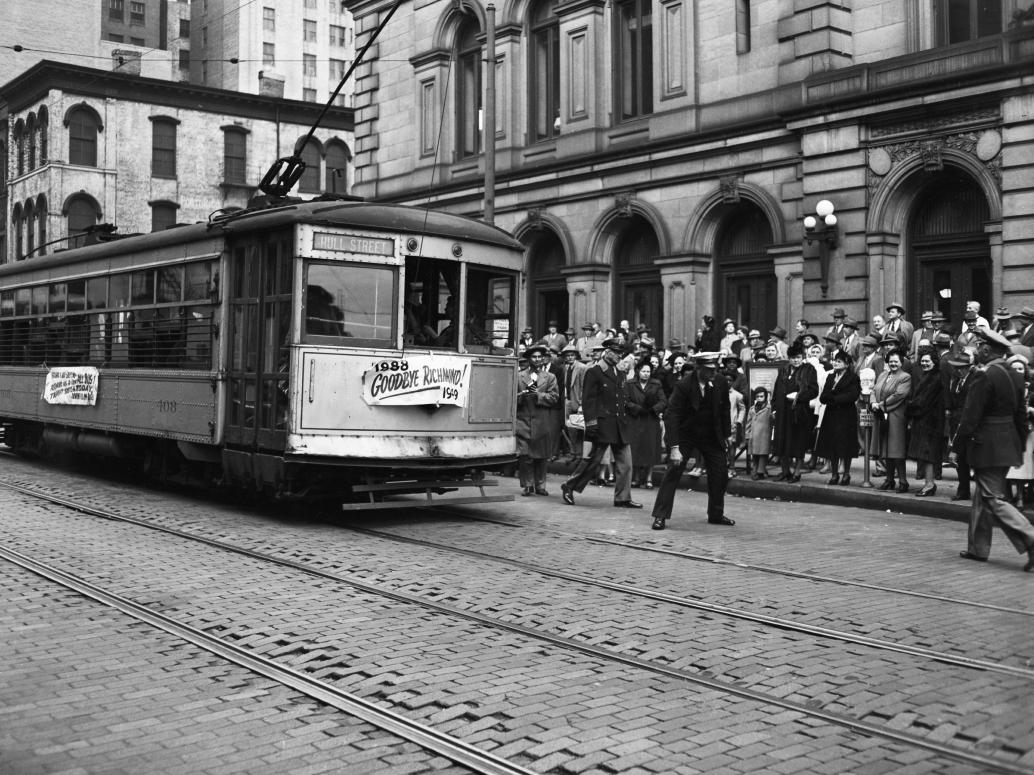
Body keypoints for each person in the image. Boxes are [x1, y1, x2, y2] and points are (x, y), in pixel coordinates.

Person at [952, 328, 1034, 571]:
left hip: (987, 445)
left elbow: (970, 417)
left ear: (987, 350)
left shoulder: (984, 375)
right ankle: (978, 548)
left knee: (991, 497)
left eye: (979, 347)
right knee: (984, 495)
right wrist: (1018, 448)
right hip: (1007, 443)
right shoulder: (1015, 375)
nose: (977, 351)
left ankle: (1031, 537)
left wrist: (956, 447)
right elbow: (1020, 416)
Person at [650, 351, 735, 530]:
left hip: (711, 434)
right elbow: (672, 416)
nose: (714, 373)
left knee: (720, 473)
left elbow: (725, 409)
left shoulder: (719, 382)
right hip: (686, 435)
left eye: (715, 368)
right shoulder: (684, 385)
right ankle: (660, 516)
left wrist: (727, 434)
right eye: (709, 369)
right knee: (673, 471)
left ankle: (716, 514)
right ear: (699, 368)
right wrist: (674, 447)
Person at [560, 338, 641, 508]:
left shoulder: (620, 372)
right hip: (601, 425)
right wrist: (591, 424)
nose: (620, 356)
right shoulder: (595, 371)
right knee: (592, 462)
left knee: (626, 463)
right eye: (617, 353)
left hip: (619, 425)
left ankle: (623, 498)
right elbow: (588, 401)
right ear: (608, 351)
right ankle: (569, 486)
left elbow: (621, 398)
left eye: (621, 353)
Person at [515, 344, 559, 496]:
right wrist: (521, 396)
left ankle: (540, 485)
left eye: (540, 357)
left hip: (542, 421)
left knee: (541, 456)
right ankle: (527, 485)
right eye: (534, 357)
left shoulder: (550, 377)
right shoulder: (519, 375)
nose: (538, 359)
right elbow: (510, 398)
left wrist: (539, 395)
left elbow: (554, 398)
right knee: (525, 456)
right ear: (528, 359)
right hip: (523, 420)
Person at [771, 343, 819, 482]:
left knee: (798, 443)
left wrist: (798, 396)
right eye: (792, 358)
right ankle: (785, 471)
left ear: (802, 357)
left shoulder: (809, 369)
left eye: (798, 357)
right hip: (782, 412)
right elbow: (776, 390)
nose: (795, 360)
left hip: (798, 412)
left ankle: (797, 472)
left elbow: (813, 390)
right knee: (782, 442)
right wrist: (774, 407)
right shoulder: (784, 370)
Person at [815, 348, 861, 486]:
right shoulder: (830, 377)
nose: (835, 363)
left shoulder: (853, 378)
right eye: (835, 361)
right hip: (831, 415)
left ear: (846, 364)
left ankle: (846, 474)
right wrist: (835, 397)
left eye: (839, 361)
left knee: (846, 446)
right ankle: (834, 474)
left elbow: (852, 396)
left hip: (846, 416)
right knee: (832, 445)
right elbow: (823, 397)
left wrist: (833, 397)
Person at [871, 349, 912, 492]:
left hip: (896, 416)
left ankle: (903, 481)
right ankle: (889, 479)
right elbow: (873, 390)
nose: (893, 363)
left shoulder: (905, 377)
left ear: (901, 363)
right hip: (881, 416)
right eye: (891, 361)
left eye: (896, 361)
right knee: (886, 449)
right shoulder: (883, 374)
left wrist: (880, 405)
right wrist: (872, 403)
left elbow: (899, 395)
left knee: (897, 450)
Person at [906, 348, 945, 496]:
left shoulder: (935, 378)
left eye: (927, 361)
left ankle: (929, 484)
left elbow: (922, 402)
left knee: (928, 455)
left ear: (934, 362)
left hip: (930, 422)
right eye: (922, 361)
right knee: (925, 454)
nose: (924, 363)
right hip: (926, 421)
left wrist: (909, 409)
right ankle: (928, 483)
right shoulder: (928, 376)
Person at [625, 361, 667, 488]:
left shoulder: (656, 384)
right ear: (638, 371)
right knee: (635, 448)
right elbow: (625, 401)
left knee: (650, 448)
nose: (646, 374)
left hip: (650, 419)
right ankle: (636, 477)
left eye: (648, 371)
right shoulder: (630, 384)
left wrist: (654, 409)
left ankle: (649, 478)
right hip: (635, 419)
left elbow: (663, 401)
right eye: (644, 371)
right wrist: (637, 408)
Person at [1005, 353, 1033, 508]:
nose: (1018, 371)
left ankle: (1021, 496)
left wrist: (1031, 410)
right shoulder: (1007, 387)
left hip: (1027, 431)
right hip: (1009, 429)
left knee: (1023, 466)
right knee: (1008, 465)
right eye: (1014, 368)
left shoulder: (1030, 388)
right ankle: (1008, 494)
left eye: (1020, 369)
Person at [745, 386, 772, 479]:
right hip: (754, 436)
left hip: (764, 435)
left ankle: (760, 472)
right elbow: (748, 423)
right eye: (757, 396)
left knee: (763, 454)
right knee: (755, 455)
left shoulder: (769, 409)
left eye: (762, 396)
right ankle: (756, 469)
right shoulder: (752, 409)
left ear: (766, 397)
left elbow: (773, 421)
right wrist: (747, 434)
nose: (759, 398)